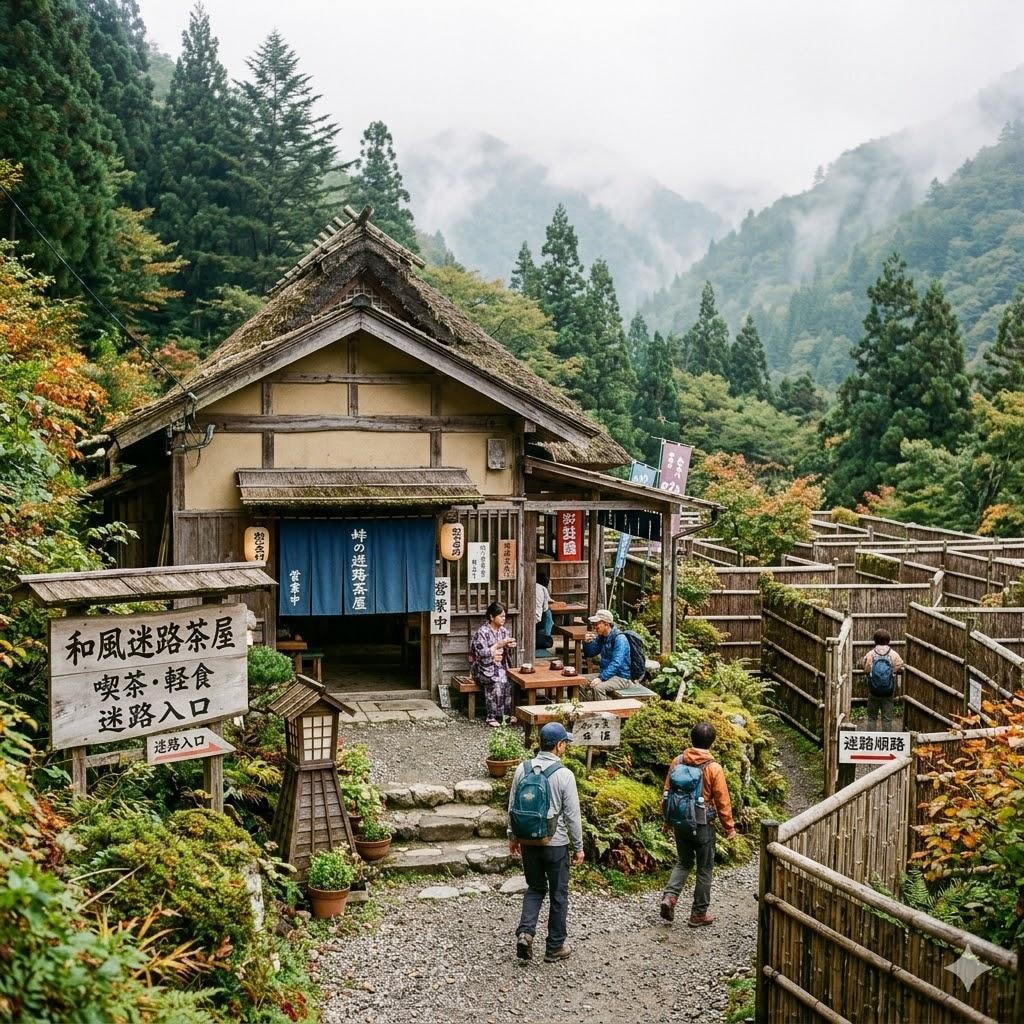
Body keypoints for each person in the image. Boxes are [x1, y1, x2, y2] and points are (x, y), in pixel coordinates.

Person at [508, 722, 585, 963]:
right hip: (556, 843)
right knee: (558, 893)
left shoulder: (523, 769)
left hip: (529, 841)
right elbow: (572, 815)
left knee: (535, 888)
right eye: (565, 743)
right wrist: (579, 847)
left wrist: (512, 836)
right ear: (559, 745)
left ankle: (526, 933)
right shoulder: (564, 775)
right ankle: (554, 947)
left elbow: (512, 806)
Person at [660, 721, 737, 927]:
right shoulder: (713, 768)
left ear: (691, 738)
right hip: (703, 825)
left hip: (680, 822)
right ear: (712, 742)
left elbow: (667, 793)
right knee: (704, 868)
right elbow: (723, 801)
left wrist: (667, 821)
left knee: (684, 862)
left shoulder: (677, 761)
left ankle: (670, 897)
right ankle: (698, 914)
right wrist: (729, 828)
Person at [470, 601, 516, 727]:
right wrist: (497, 645)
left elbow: (507, 653)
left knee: (508, 681)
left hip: (500, 666)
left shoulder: (503, 631)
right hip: (482, 667)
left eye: (504, 616)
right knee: (498, 681)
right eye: (501, 616)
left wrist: (509, 646)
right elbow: (481, 653)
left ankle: (505, 716)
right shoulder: (482, 632)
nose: (503, 619)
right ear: (491, 617)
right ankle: (492, 716)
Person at [580, 608, 631, 698]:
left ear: (606, 624)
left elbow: (616, 663)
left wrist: (601, 678)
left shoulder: (620, 639)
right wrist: (587, 643)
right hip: (606, 674)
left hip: (621, 677)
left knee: (598, 688)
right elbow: (590, 653)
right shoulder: (602, 637)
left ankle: (603, 711)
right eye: (594, 624)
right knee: (579, 681)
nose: (595, 626)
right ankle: (586, 708)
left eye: (597, 624)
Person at [863, 628, 904, 731]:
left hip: (874, 690)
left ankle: (871, 738)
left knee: (872, 717)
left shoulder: (871, 653)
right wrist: (892, 671)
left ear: (875, 640)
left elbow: (866, 668)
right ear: (888, 640)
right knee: (887, 718)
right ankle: (886, 739)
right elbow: (900, 664)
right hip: (888, 690)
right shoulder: (893, 654)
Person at [535, 572, 554, 654]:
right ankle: (546, 638)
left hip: (529, 616)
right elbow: (546, 606)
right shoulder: (542, 588)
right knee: (548, 615)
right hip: (537, 616)